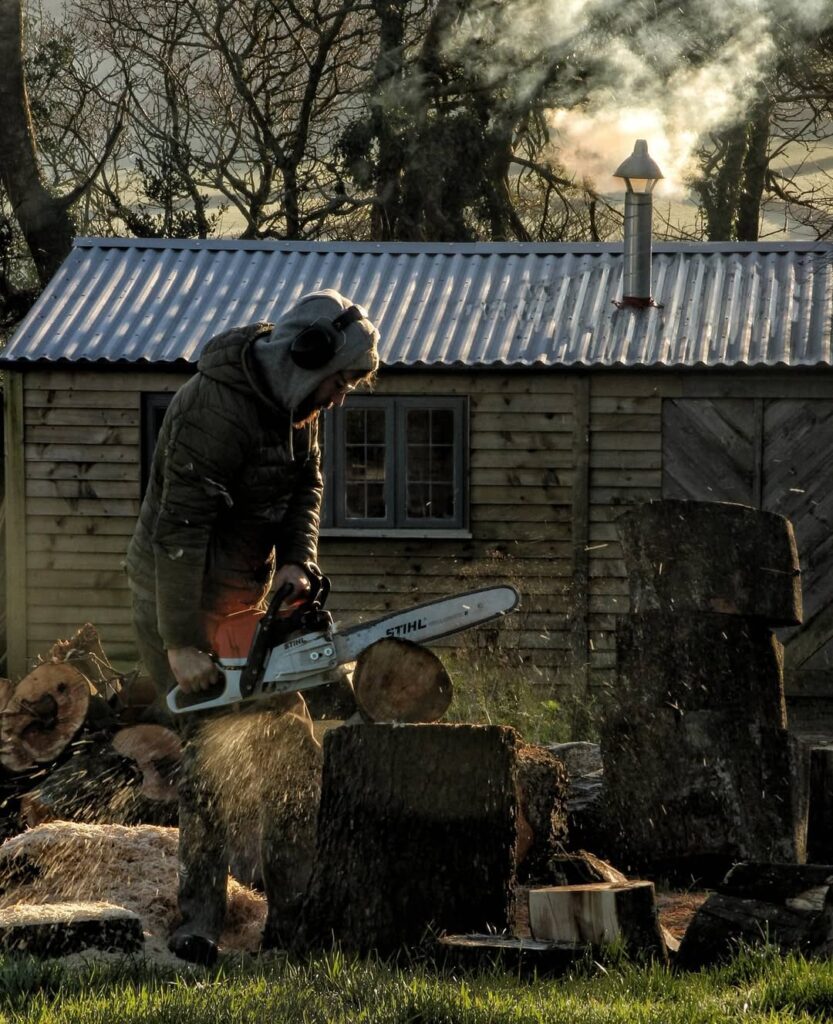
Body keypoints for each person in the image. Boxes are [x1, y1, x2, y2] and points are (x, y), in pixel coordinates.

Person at [125, 289, 380, 965]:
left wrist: (299, 561)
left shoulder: (297, 404)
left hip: (249, 597)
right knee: (211, 765)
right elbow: (179, 531)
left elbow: (307, 485)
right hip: (175, 599)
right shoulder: (214, 410)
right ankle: (199, 922)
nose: (341, 397)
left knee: (290, 755)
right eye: (339, 381)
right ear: (305, 358)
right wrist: (181, 643)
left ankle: (293, 920)